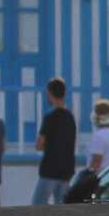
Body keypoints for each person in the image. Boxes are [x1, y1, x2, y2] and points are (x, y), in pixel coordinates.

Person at [32, 77, 77, 205]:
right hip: (66, 170)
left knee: (36, 207)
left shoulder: (50, 117)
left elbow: (39, 144)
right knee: (62, 210)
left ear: (49, 94)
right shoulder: (70, 117)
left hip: (50, 170)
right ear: (65, 93)